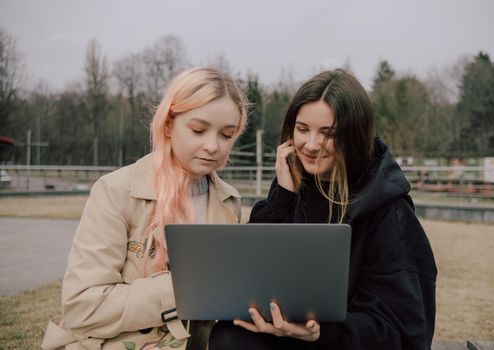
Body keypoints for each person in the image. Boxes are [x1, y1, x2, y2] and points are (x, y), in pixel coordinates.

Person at [209, 69, 437, 350]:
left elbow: (403, 331)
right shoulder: (291, 185)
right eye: (303, 129)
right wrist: (281, 198)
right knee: (228, 336)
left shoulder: (389, 211)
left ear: (354, 135)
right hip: (290, 337)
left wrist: (324, 332)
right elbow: (255, 279)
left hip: (343, 343)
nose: (311, 145)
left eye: (329, 133)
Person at [42, 67, 248, 350]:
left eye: (226, 135)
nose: (213, 146)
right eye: (198, 130)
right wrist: (184, 288)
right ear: (167, 125)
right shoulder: (115, 191)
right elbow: (82, 307)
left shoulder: (230, 202)